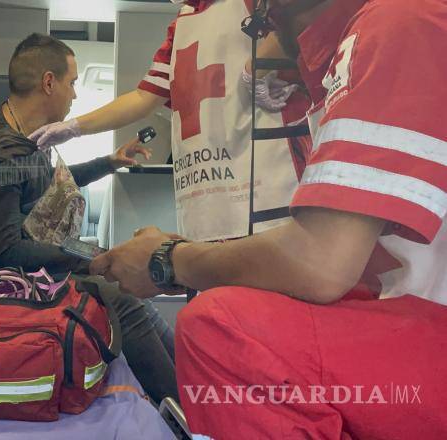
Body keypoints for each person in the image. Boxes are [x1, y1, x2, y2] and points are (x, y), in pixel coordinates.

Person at [89, 0, 447, 437]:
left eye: (266, 16)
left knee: (217, 325)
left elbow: (320, 263)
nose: (264, 31)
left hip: (427, 326)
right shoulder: (353, 51)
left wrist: (166, 260)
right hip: (409, 311)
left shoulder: (400, 23)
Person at [0, 33, 178, 404]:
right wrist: (90, 258)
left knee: (128, 289)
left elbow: (50, 182)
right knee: (122, 298)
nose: (74, 95)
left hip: (19, 259)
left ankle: (189, 388)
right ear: (49, 82)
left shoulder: (25, 134)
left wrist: (110, 161)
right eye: (72, 83)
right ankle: (182, 406)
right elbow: (7, 250)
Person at [30, 0, 313, 243]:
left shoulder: (253, 4)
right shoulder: (182, 23)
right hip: (206, 204)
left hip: (267, 192)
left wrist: (259, 65)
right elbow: (144, 97)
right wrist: (74, 127)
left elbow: (312, 17)